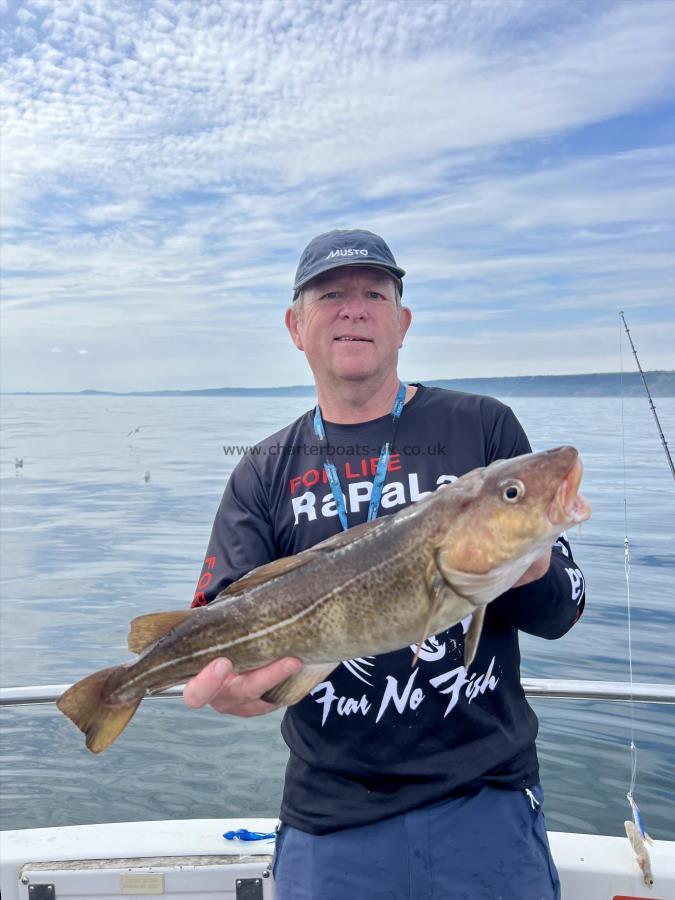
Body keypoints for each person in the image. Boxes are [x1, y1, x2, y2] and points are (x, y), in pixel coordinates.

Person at [184, 228, 586, 900]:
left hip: (485, 800)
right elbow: (222, 615)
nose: (354, 308)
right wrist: (227, 686)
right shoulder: (261, 470)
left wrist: (530, 564)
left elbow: (564, 610)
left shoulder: (484, 431)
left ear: (401, 323)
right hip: (329, 821)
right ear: (295, 326)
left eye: (375, 293)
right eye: (330, 295)